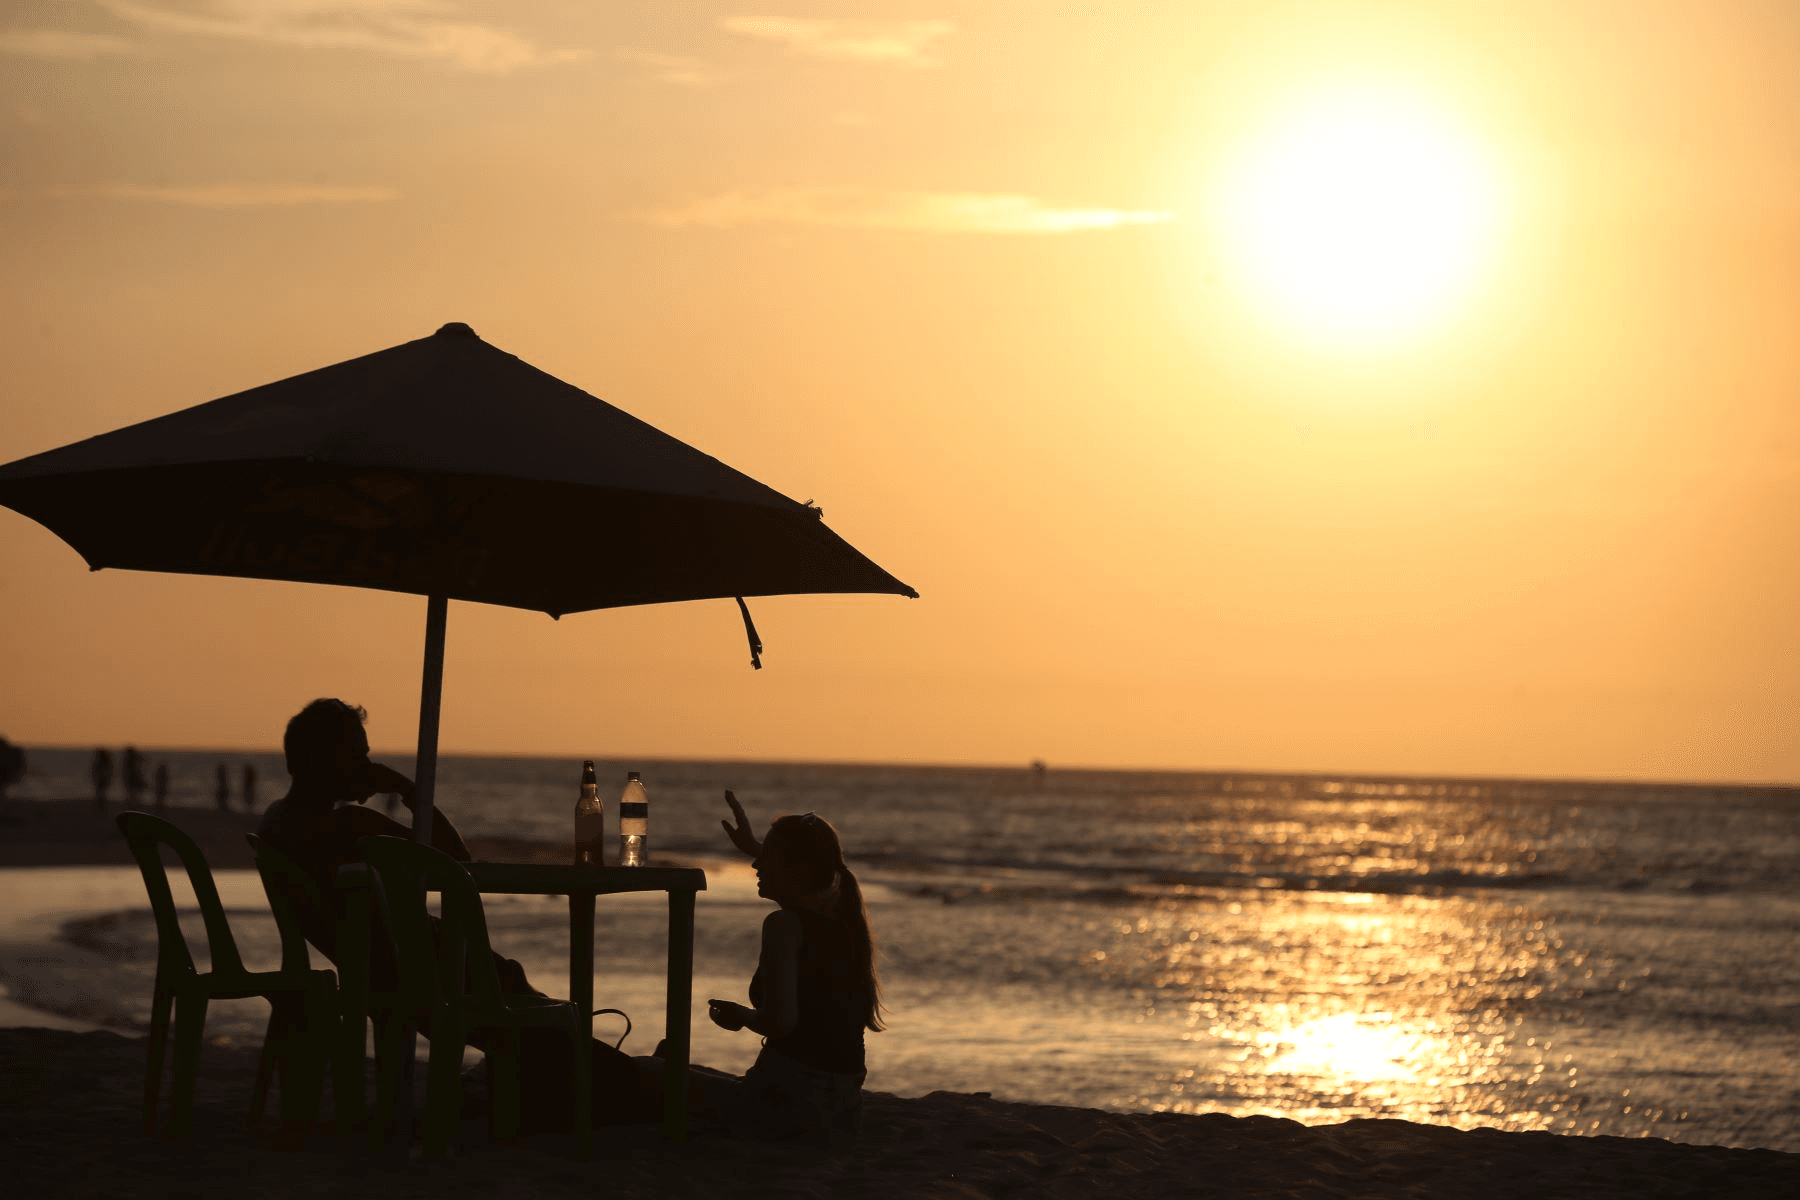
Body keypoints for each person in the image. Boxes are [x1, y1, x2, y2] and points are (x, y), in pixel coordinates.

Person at [256, 698, 649, 1128]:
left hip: (397, 968)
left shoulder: (278, 824)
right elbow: (457, 860)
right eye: (358, 753)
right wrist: (409, 790)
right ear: (322, 758)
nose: (368, 764)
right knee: (553, 1033)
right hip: (433, 973)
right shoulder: (349, 825)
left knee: (537, 1029)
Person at [643, 793, 881, 1152]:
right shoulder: (843, 921)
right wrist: (757, 847)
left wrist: (741, 1016)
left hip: (787, 1106)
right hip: (842, 1111)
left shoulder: (784, 925)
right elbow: (806, 868)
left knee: (643, 1070)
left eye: (766, 858)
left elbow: (780, 1024)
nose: (755, 866)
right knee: (674, 1063)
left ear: (795, 869)